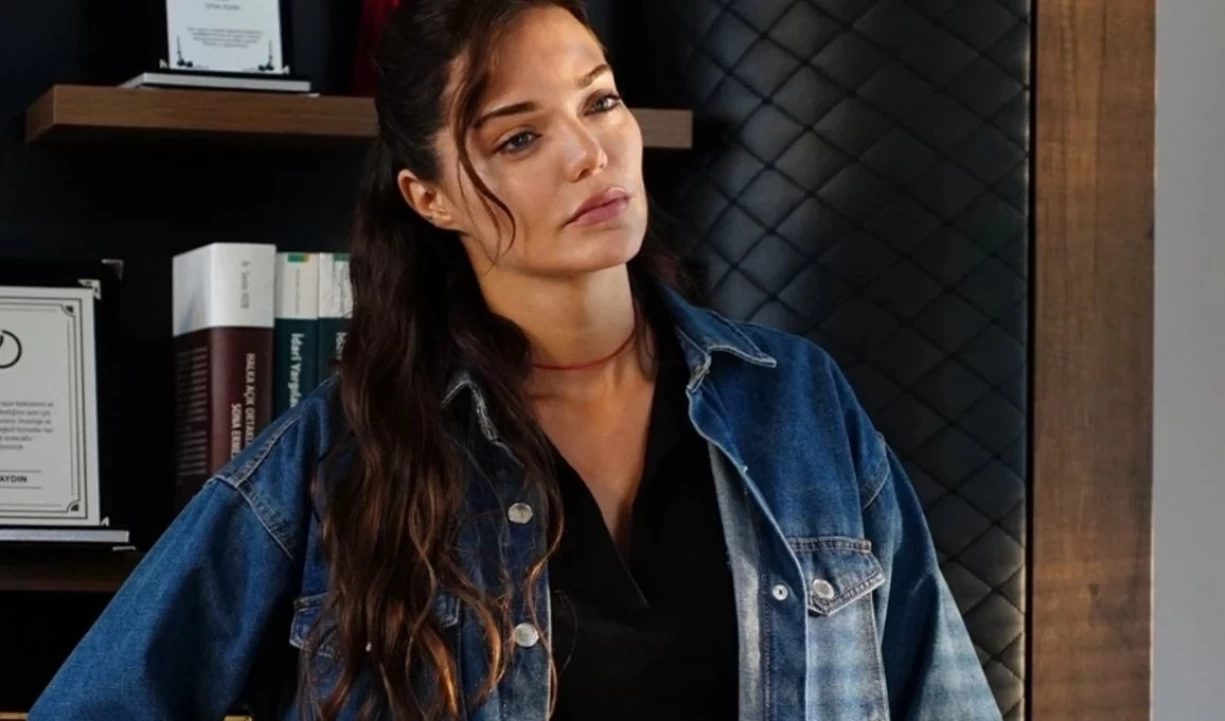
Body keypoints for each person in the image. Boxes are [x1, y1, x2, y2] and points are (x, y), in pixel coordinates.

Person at [29, 1, 1001, 719]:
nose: (590, 154)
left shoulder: (795, 402)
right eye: (521, 136)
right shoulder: (336, 458)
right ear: (431, 197)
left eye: (601, 101)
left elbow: (940, 697)